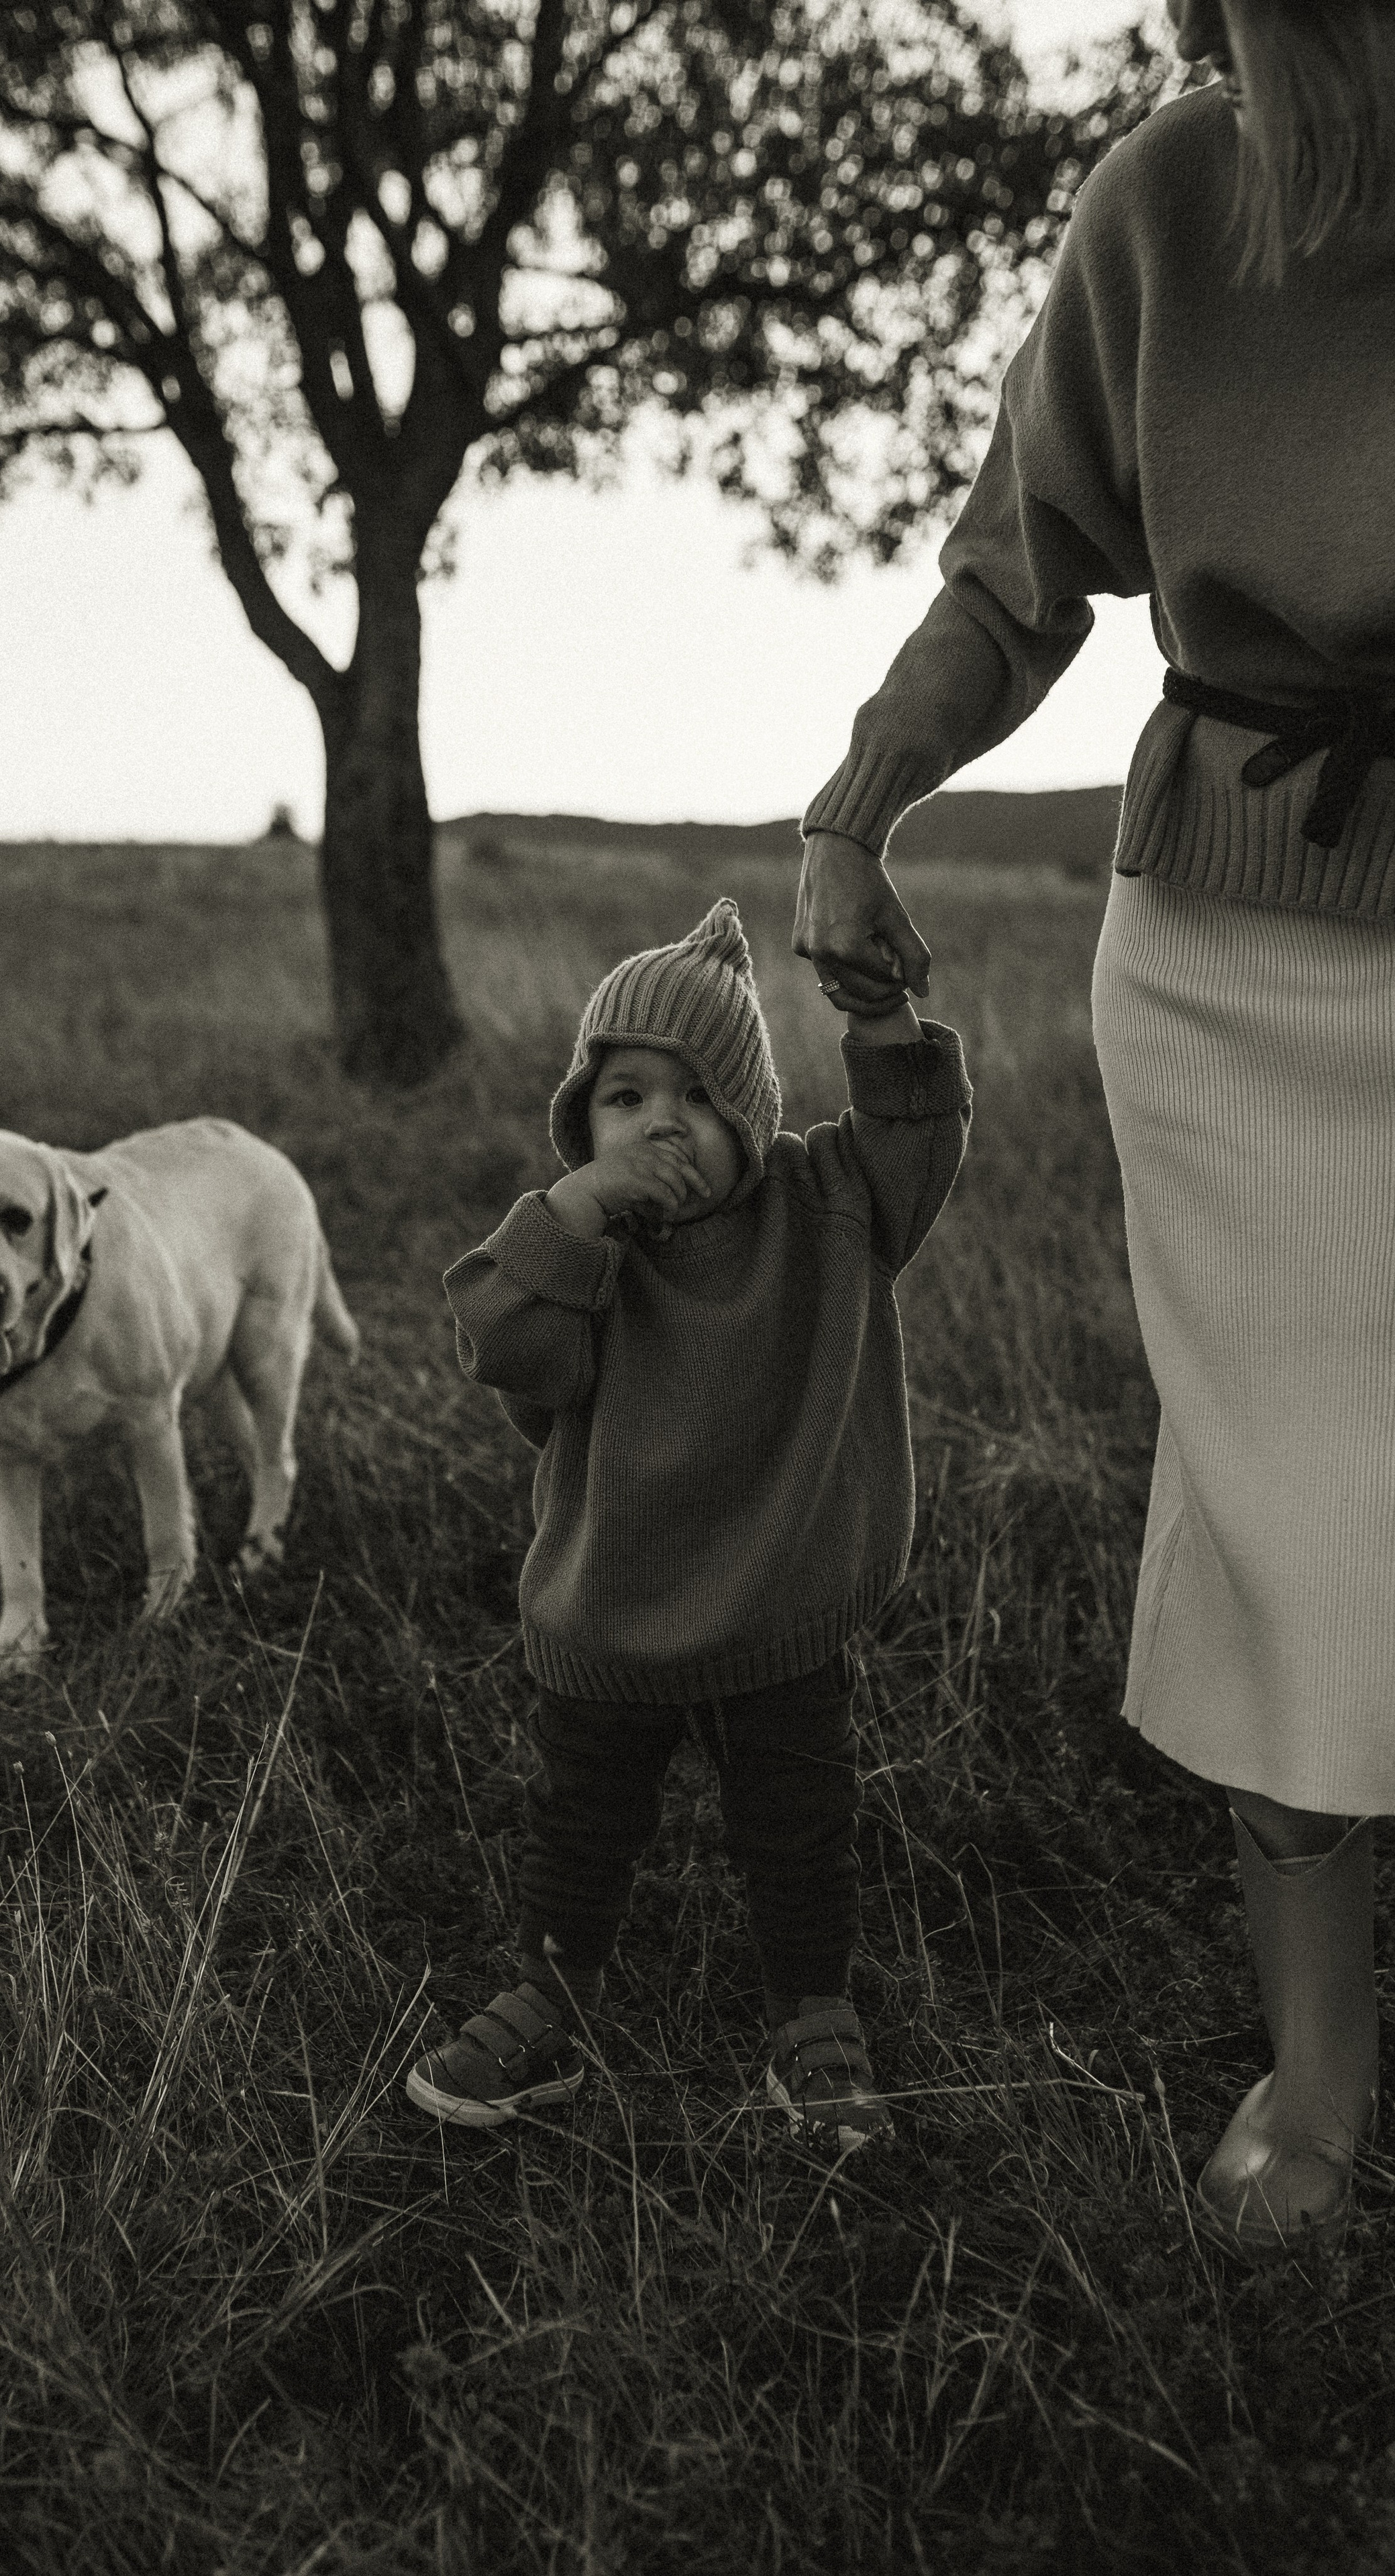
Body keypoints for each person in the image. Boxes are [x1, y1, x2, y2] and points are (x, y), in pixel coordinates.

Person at [791, 0, 1395, 2256]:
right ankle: (1322, 2094)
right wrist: (859, 811)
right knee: (1287, 1525)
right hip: (1236, 969)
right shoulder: (1164, 199)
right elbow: (1018, 568)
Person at [405, 898, 971, 2146]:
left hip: (782, 1601)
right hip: (608, 1607)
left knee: (799, 1824)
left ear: (752, 1118)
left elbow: (914, 1138)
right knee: (583, 1818)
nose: (660, 1123)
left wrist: (880, 1015)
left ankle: (810, 2016)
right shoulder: (579, 1252)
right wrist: (576, 1213)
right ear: (580, 1125)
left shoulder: (824, 1210)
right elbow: (505, 1345)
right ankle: (556, 1989)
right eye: (623, 1098)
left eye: (698, 1098)